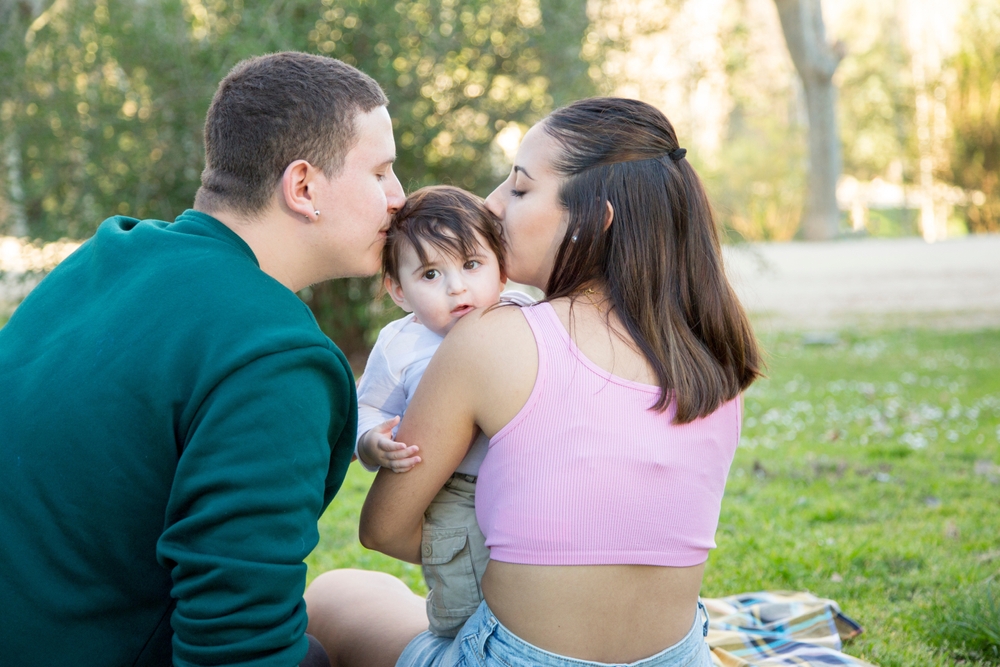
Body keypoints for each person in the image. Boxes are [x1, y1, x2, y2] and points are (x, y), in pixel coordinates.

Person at [303, 97, 762, 667]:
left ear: (597, 217)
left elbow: (384, 528)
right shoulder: (714, 355)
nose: (492, 204)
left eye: (519, 189)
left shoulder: (496, 338)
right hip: (679, 658)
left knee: (338, 590)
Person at [0, 52, 404, 666]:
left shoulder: (105, 258)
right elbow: (238, 649)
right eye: (380, 173)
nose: (399, 198)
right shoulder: (272, 354)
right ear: (303, 187)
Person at [354, 185, 535, 638]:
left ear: (502, 270)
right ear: (398, 290)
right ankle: (465, 644)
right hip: (452, 491)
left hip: (524, 480)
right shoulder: (402, 345)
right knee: (466, 592)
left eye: (472, 265)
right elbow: (368, 405)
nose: (457, 287)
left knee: (532, 584)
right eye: (431, 275)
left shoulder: (525, 315)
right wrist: (372, 442)